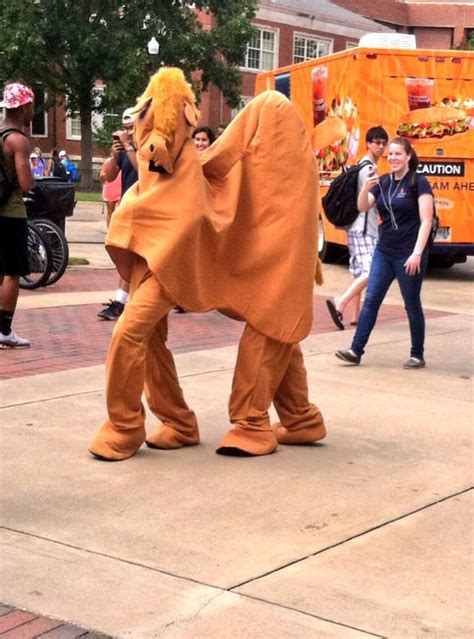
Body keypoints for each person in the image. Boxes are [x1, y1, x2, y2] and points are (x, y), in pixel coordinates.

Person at [88, 68, 325, 461]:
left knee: (270, 325)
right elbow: (210, 160)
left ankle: (247, 422)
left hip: (199, 255)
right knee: (272, 326)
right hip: (175, 250)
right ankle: (294, 418)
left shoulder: (277, 188)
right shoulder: (180, 164)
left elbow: (208, 173)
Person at [335, 137, 434, 369]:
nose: (392, 158)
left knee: (411, 303)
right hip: (384, 250)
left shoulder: (418, 182)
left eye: (398, 154)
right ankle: (355, 350)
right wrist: (365, 189)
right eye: (390, 154)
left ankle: (417, 354)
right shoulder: (384, 182)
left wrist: (417, 253)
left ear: (408, 156)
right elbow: (362, 207)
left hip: (409, 253)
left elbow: (426, 220)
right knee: (371, 300)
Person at [326, 126, 388, 329]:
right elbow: (370, 200)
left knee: (358, 272)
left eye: (383, 143)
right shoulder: (370, 169)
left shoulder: (361, 164)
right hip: (364, 227)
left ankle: (356, 315)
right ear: (368, 144)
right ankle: (341, 302)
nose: (380, 147)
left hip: (354, 226)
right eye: (376, 142)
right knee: (372, 271)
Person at [0, 82, 35, 349]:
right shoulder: (18, 140)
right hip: (10, 213)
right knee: (12, 272)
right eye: (32, 105)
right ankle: (4, 330)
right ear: (23, 108)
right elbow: (26, 184)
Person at [97, 108, 138, 321]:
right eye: (125, 128)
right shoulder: (124, 149)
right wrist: (115, 155)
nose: (128, 132)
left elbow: (144, 171)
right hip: (130, 208)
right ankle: (120, 302)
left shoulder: (150, 145)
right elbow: (109, 176)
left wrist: (130, 147)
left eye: (132, 128)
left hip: (150, 209)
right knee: (128, 257)